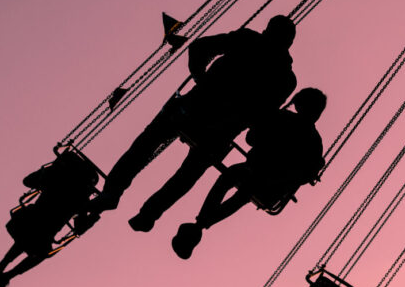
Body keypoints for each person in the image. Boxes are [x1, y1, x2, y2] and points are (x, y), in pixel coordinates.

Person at [76, 15, 298, 233]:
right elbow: (263, 115)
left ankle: (113, 193)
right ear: (288, 43)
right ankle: (149, 213)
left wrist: (200, 77)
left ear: (267, 30)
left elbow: (200, 47)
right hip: (221, 129)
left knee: (146, 145)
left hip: (196, 106)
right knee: (187, 173)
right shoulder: (285, 78)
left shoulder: (248, 40)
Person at [170, 87, 326, 259]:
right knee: (242, 191)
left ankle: (200, 224)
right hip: (272, 185)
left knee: (229, 179)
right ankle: (201, 224)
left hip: (259, 172)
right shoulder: (315, 142)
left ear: (299, 104)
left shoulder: (283, 118)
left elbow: (251, 138)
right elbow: (304, 174)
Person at [0, 153, 99, 287]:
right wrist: (92, 217)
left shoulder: (57, 179)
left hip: (36, 221)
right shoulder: (80, 194)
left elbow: (28, 181)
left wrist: (46, 172)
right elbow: (80, 226)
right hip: (42, 226)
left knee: (32, 239)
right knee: (36, 243)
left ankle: (3, 270)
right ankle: (5, 272)